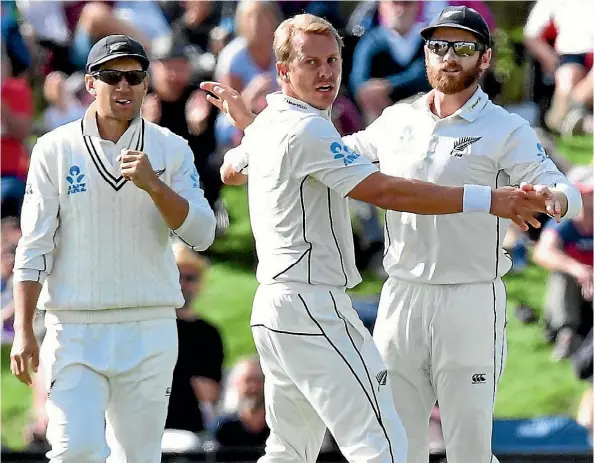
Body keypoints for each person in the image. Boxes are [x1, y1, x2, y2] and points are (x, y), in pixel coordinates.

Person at [201, 8, 582, 463]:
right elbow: (341, 167)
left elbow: (560, 188)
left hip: (471, 298)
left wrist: (552, 197)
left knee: (467, 450)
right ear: (424, 54)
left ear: (484, 59)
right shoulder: (397, 120)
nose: (448, 57)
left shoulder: (506, 128)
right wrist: (255, 133)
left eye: (463, 47)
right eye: (438, 46)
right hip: (400, 299)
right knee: (393, 447)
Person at [10, 35, 216, 463]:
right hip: (74, 327)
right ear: (90, 83)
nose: (123, 87)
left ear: (146, 84)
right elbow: (33, 246)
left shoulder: (171, 148)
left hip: (149, 325)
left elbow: (202, 234)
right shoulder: (54, 149)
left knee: (138, 456)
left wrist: (155, 187)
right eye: (111, 76)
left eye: (134, 77)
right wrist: (26, 329)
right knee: (74, 450)